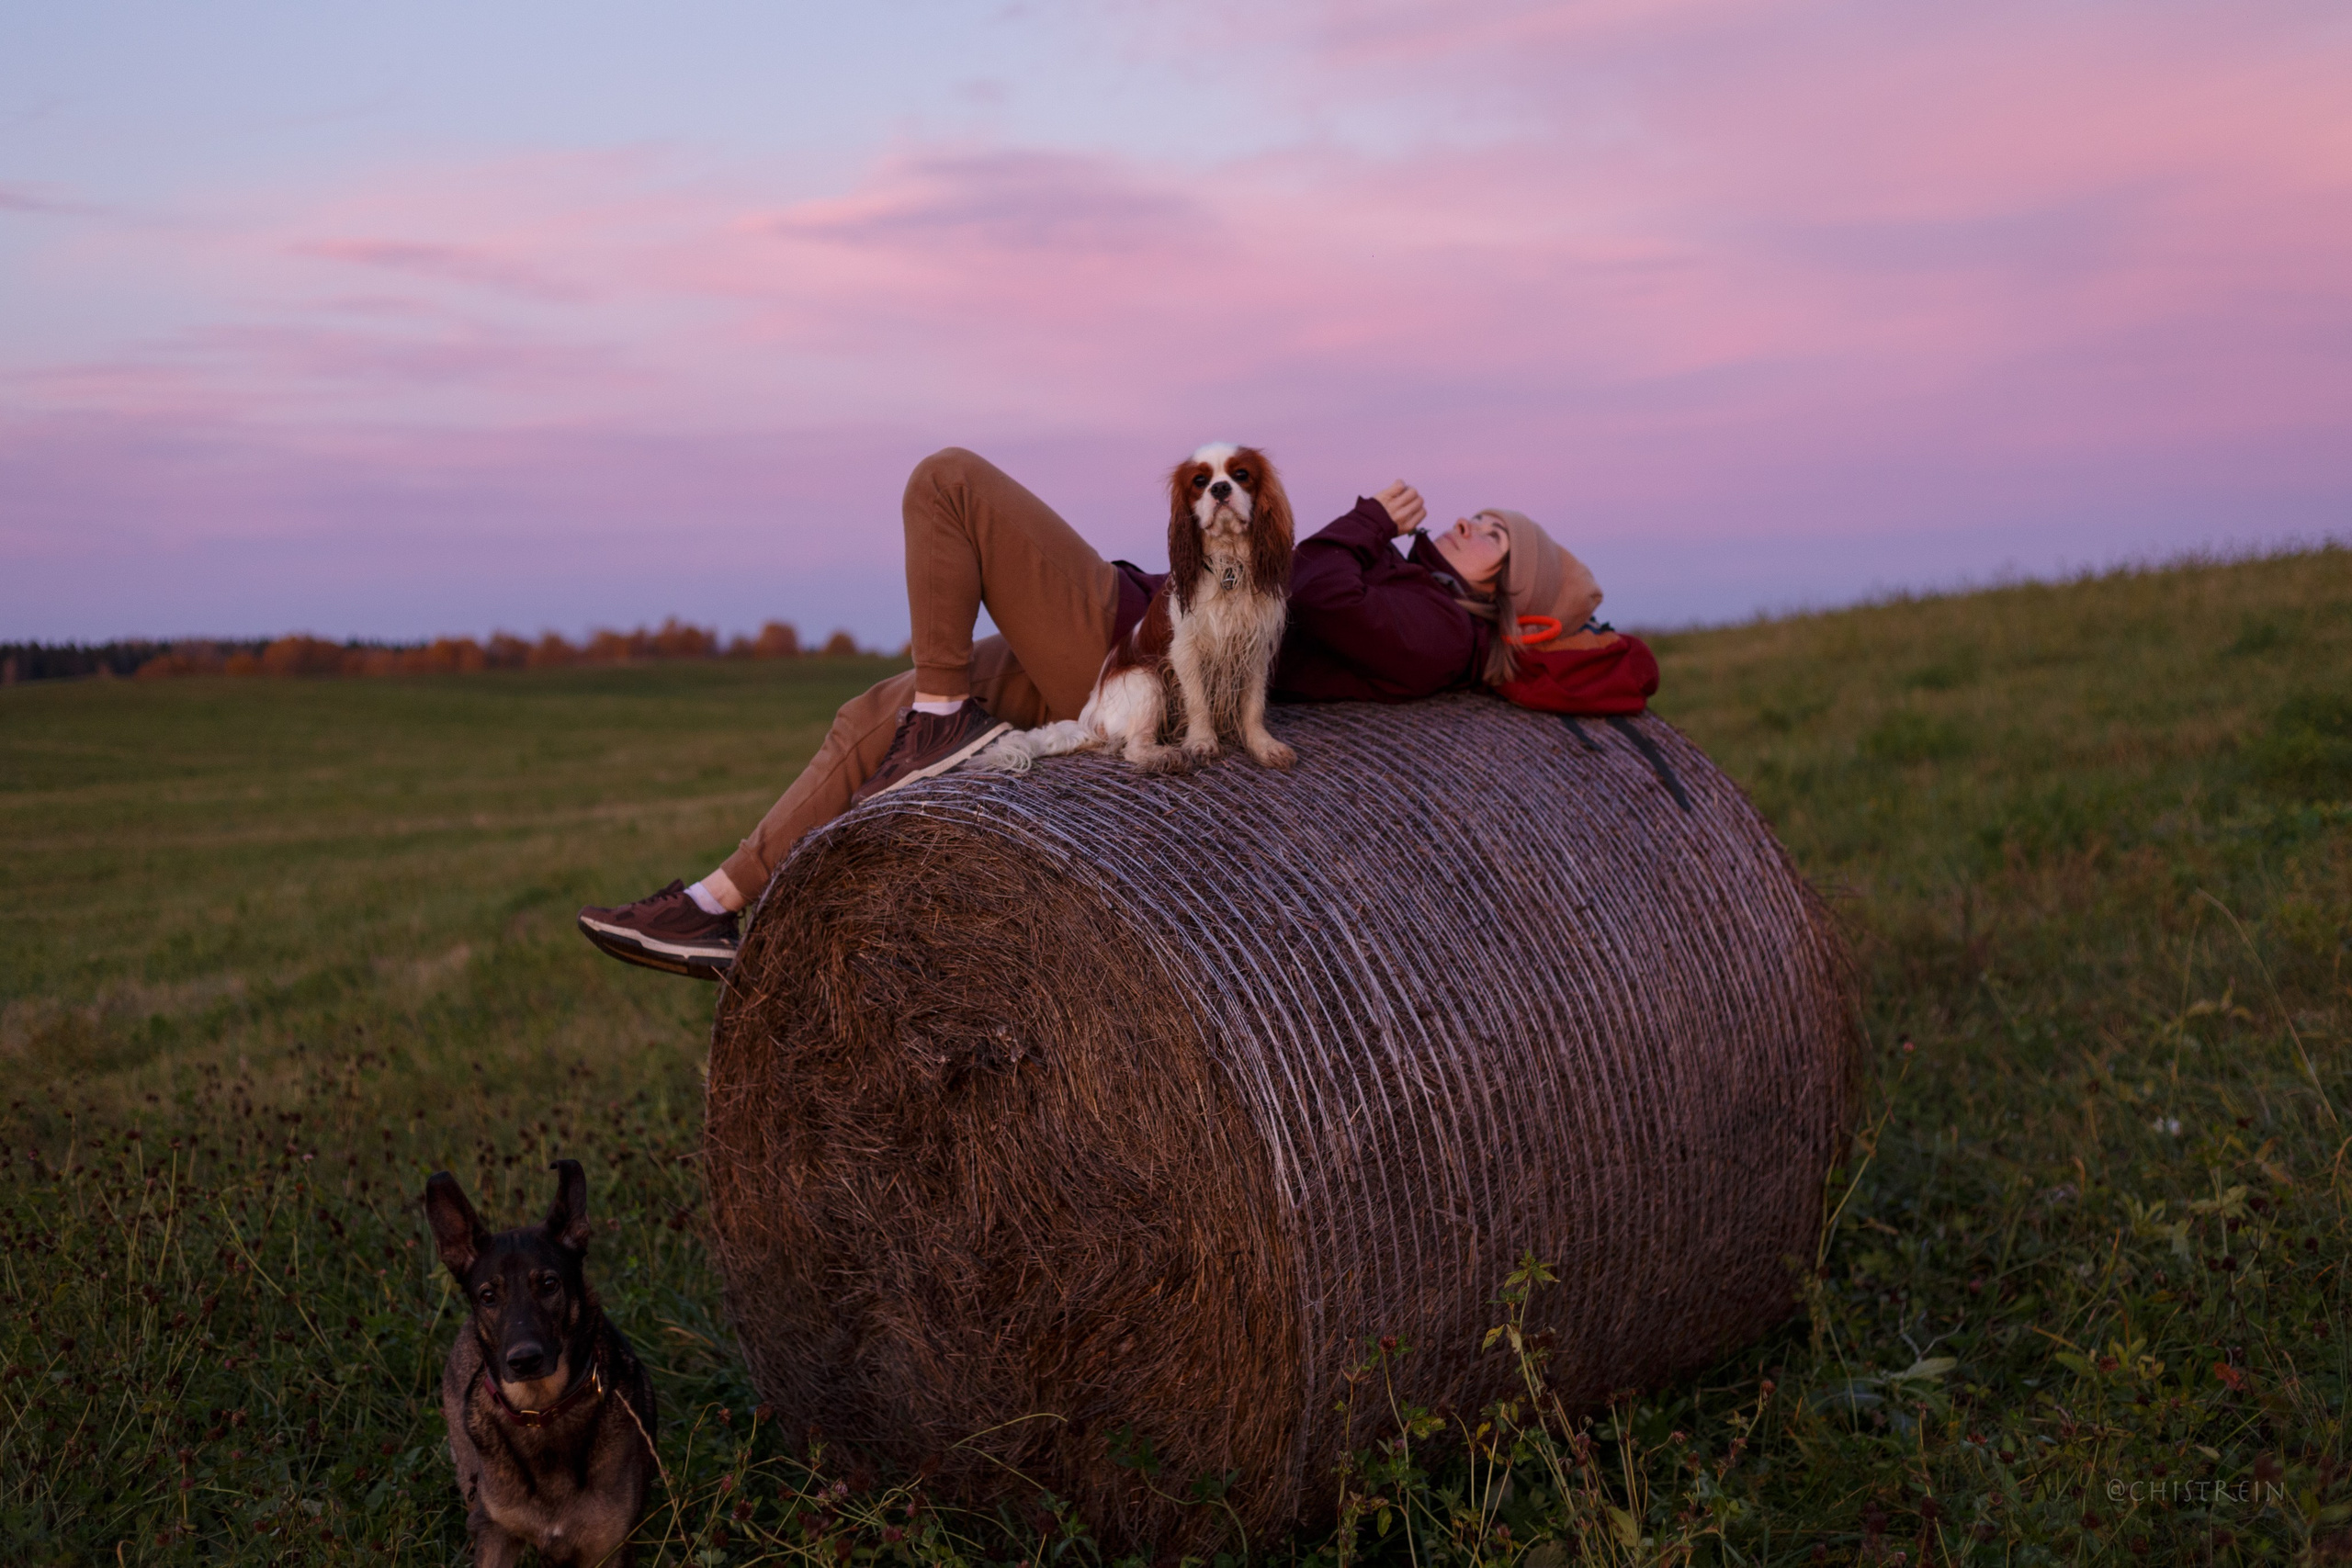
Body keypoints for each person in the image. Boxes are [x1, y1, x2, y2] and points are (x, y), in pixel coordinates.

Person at [576, 447, 1654, 979]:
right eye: (1479, 519)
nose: (1468, 524)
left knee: (947, 483)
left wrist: (1368, 520)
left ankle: (944, 724)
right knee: (875, 705)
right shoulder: (1421, 603)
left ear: (1506, 591)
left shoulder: (1435, 629)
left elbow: (1308, 588)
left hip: (1128, 644)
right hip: (1137, 639)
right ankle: (715, 906)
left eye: (1493, 535)